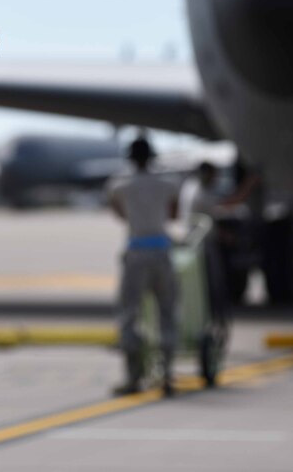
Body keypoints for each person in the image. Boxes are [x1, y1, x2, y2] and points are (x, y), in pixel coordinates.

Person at [106, 137, 180, 396]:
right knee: (167, 312)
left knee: (130, 314)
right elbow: (173, 214)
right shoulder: (167, 184)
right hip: (161, 250)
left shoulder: (120, 185)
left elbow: (119, 213)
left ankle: (133, 376)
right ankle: (167, 375)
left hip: (136, 250)